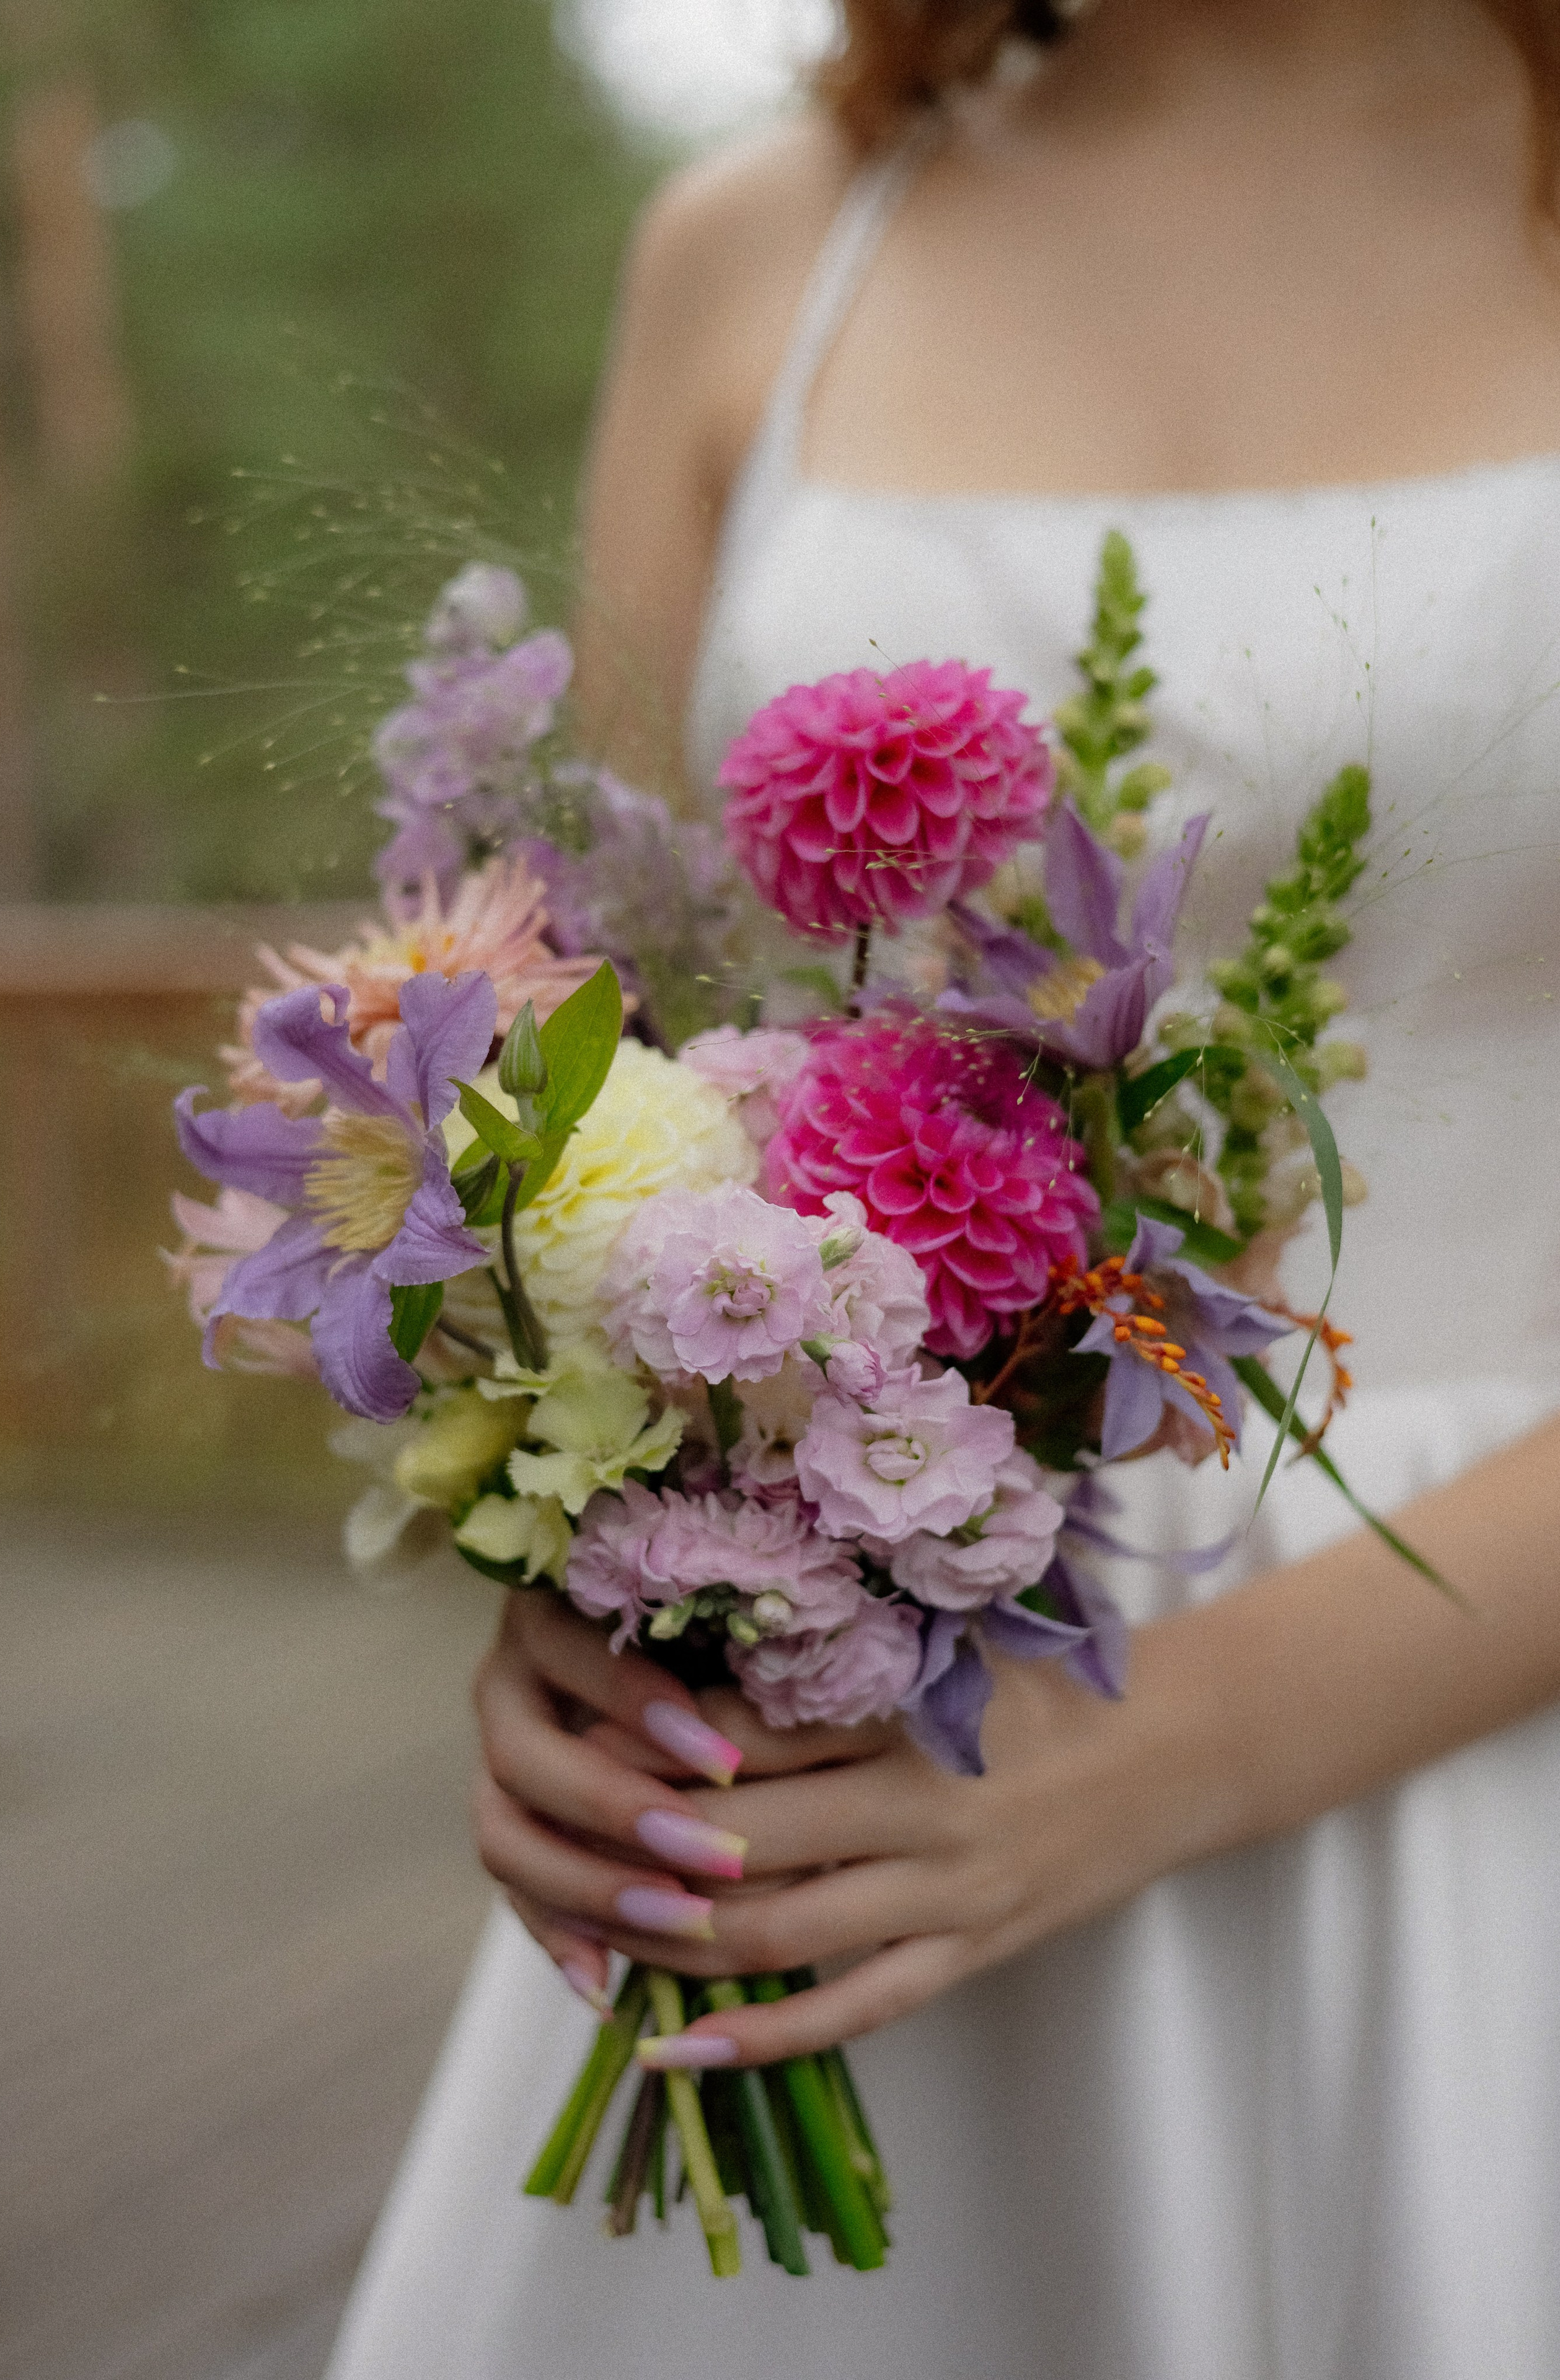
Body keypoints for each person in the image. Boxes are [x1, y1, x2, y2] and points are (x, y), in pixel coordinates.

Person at [325, 4, 1560, 2374]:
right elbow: (608, 1062)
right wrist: (603, 1612)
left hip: (1478, 1774)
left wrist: (1171, 1745)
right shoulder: (766, 244)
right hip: (839, 1778)